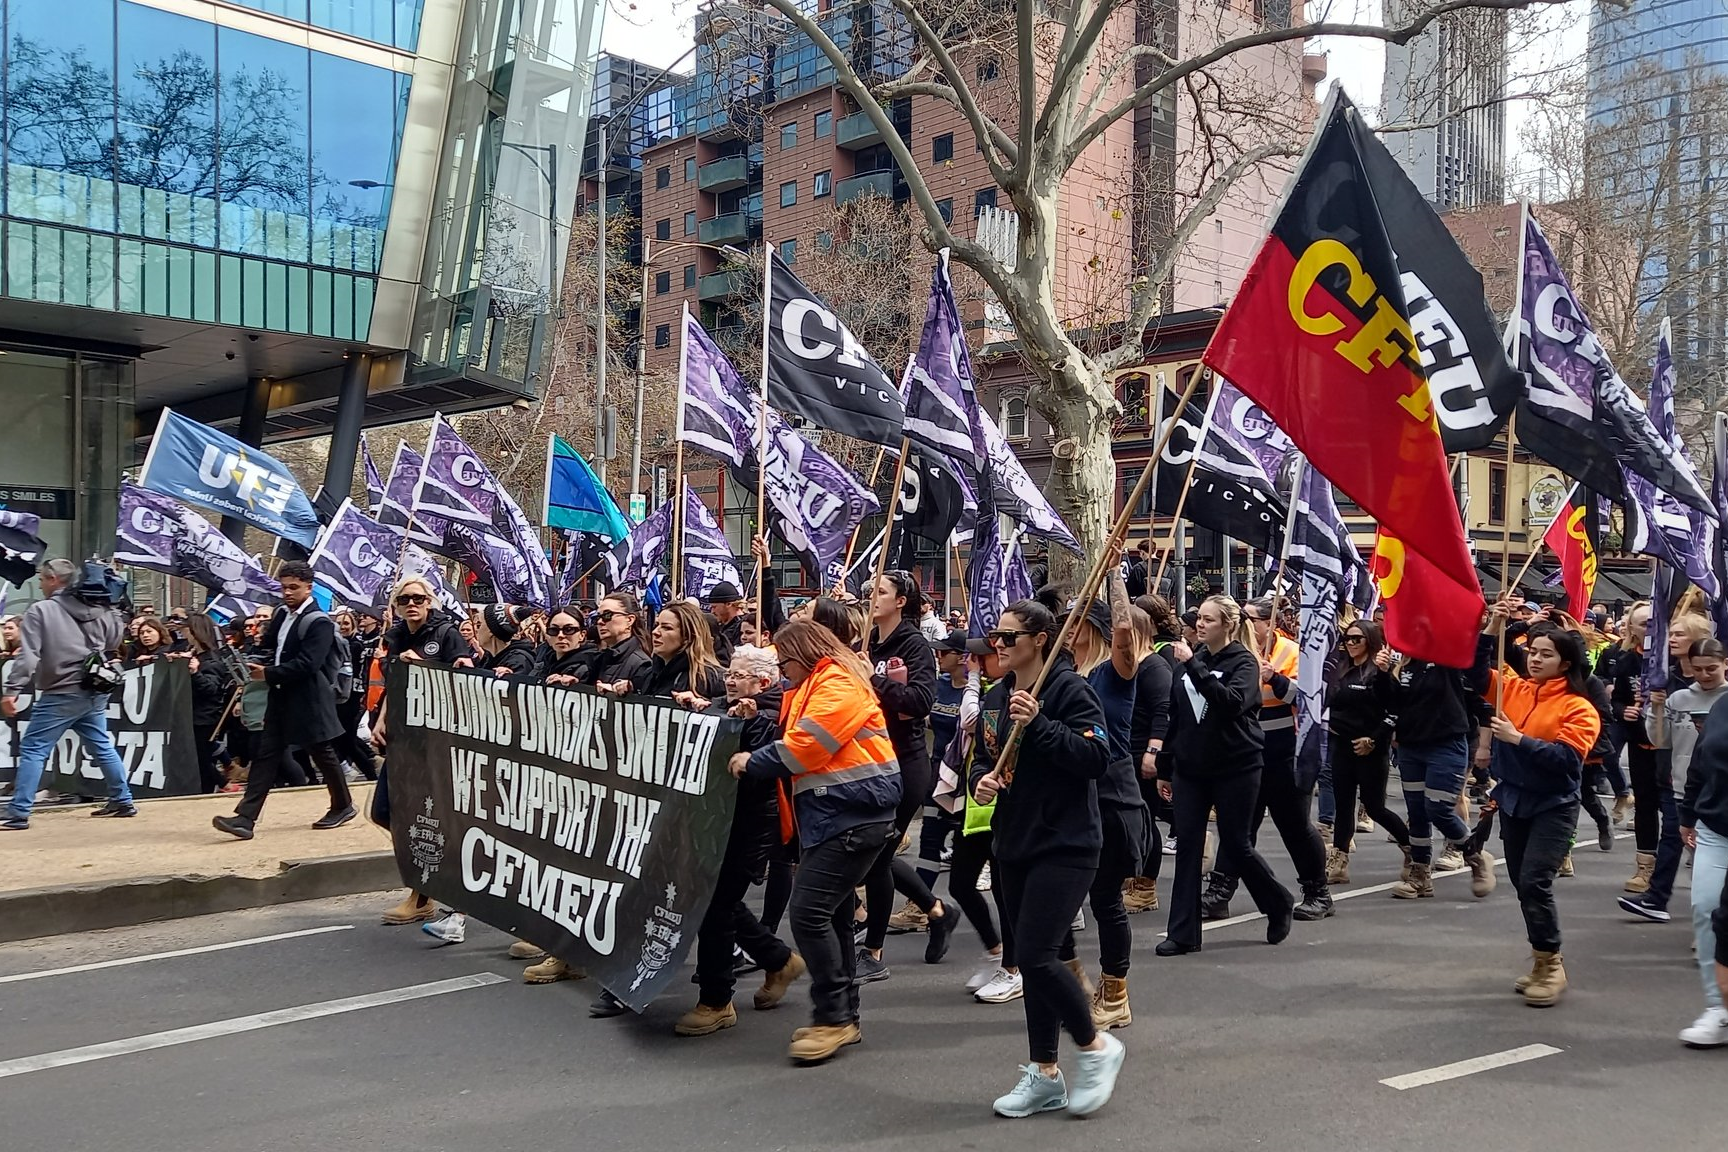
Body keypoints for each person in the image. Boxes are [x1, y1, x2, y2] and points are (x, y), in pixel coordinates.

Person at [971, 598, 1126, 1118]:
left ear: (1040, 639)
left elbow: (1095, 757)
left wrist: (1040, 724)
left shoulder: (1067, 690)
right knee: (1035, 963)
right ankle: (1044, 1072)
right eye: (996, 636)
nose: (999, 645)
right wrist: (983, 784)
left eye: (1009, 636)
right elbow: (984, 760)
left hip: (1067, 843)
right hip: (1013, 840)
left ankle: (1095, 1045)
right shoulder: (995, 697)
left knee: (1036, 956)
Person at [729, 619, 901, 1064]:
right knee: (836, 916)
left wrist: (753, 760)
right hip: (838, 814)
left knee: (808, 914)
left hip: (851, 814)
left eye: (785, 661)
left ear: (803, 652)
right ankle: (843, 1017)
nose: (783, 671)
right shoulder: (819, 683)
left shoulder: (837, 682)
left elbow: (806, 747)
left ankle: (835, 1017)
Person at [578, 600, 726, 1013]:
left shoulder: (708, 677)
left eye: (666, 628)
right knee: (639, 887)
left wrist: (701, 711)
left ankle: (765, 957)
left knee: (688, 896)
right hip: (646, 797)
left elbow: (724, 731)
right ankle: (624, 980)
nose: (656, 633)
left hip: (686, 806)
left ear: (689, 635)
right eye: (655, 626)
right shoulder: (647, 671)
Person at [1472, 604, 1601, 1008]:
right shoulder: (1513, 688)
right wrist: (1493, 628)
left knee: (1535, 881)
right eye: (1532, 651)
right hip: (1512, 799)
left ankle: (1552, 962)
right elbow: (1474, 673)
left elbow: (1566, 761)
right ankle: (1541, 959)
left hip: (1554, 804)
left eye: (1546, 654)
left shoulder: (1579, 707)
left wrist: (1517, 739)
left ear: (1565, 662)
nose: (1536, 658)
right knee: (1520, 883)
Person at [674, 644, 805, 1037]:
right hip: (717, 819)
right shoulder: (727, 705)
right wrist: (696, 706)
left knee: (716, 907)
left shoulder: (770, 715)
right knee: (719, 900)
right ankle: (778, 959)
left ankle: (716, 1001)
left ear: (763, 681)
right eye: (729, 673)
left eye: (738, 676)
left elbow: (767, 756)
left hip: (748, 824)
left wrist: (738, 719)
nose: (729, 681)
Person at [1157, 595, 1295, 955]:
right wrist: (1165, 765)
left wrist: (1195, 669)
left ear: (1228, 626)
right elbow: (1177, 714)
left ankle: (1277, 901)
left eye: (1209, 620)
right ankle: (1183, 933)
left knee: (1236, 844)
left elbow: (1233, 703)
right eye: (1198, 619)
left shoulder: (1244, 663)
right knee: (1188, 845)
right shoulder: (1194, 660)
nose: (1200, 625)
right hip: (1191, 767)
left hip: (1236, 764)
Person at [1056, 573, 1153, 1032]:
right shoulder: (1063, 676)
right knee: (1054, 900)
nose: (1066, 630)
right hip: (1071, 797)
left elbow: (1124, 638)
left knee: (1105, 900)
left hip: (1112, 797)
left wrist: (1115, 578)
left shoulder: (1114, 674)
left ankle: (1115, 993)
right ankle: (1072, 980)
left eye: (1074, 622)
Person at [857, 570, 957, 983]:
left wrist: (874, 679)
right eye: (870, 592)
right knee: (875, 856)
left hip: (906, 763)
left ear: (901, 601)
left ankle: (873, 951)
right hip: (869, 761)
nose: (872, 599)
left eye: (880, 592)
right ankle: (937, 911)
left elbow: (920, 702)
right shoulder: (866, 642)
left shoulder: (913, 644)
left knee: (877, 858)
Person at [1206, 597, 1333, 922]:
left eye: (1251, 619)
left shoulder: (1290, 652)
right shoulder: (1232, 654)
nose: (1246, 624)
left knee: (1294, 826)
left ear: (1267, 623)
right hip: (1244, 751)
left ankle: (1317, 892)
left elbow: (1308, 699)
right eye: (1243, 618)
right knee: (1237, 827)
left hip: (1284, 751)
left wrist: (1274, 677)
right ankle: (1218, 893)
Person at [212, 562, 354, 840]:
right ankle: (245, 818)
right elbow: (271, 649)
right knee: (267, 754)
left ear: (309, 587)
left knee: (322, 753)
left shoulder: (320, 622)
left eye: (294, 588)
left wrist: (267, 673)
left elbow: (309, 664)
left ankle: (343, 804)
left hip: (310, 699)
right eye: (284, 587)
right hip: (280, 695)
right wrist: (250, 659)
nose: (287, 593)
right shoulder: (281, 615)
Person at [370, 576, 474, 926]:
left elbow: (463, 679)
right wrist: (381, 719)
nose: (411, 604)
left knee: (424, 817)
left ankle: (422, 894)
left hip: (435, 741)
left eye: (418, 598)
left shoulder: (446, 634)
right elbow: (393, 682)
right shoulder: (395, 636)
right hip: (402, 736)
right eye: (404, 600)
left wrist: (426, 667)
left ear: (430, 602)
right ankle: (425, 883)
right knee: (383, 811)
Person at [2, 559, 136, 829]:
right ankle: (122, 799)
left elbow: (29, 656)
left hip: (60, 690)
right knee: (101, 744)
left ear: (54, 579)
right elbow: (113, 644)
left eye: (41, 579)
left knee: (34, 749)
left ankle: (18, 813)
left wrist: (11, 690)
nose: (39, 584)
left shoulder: (41, 611)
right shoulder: (102, 607)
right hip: (95, 687)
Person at [1623, 632, 1728, 924]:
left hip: (1720, 792)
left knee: (1709, 860)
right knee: (1672, 839)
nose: (1704, 674)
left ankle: (1710, 918)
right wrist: (1656, 709)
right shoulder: (1679, 698)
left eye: (1712, 668)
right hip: (1681, 786)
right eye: (1698, 668)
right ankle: (1658, 899)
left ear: (1725, 664)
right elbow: (1660, 740)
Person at [1389, 640, 1497, 899]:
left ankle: (1475, 856)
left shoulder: (1451, 666)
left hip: (1447, 746)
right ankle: (1420, 875)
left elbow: (1482, 707)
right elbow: (1390, 705)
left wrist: (1484, 746)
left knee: (1437, 808)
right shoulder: (1400, 669)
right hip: (1410, 748)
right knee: (1416, 813)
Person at [1324, 620, 1407, 889]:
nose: (1350, 643)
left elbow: (1395, 712)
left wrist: (1373, 739)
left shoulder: (1379, 673)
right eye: (1347, 638)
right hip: (1341, 746)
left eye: (1357, 639)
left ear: (1370, 641)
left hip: (1371, 748)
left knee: (1375, 807)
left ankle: (1411, 849)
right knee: (1343, 805)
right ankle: (1339, 860)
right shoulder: (1340, 669)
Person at [1678, 686, 1728, 1046]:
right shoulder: (1723, 706)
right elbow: (1700, 762)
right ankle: (1718, 1008)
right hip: (1715, 828)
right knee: (1706, 907)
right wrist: (1688, 812)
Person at [1122, 595, 1176, 914]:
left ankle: (1145, 885)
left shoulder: (1154, 665)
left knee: (1144, 821)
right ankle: (1129, 876)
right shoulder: (1127, 663)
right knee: (1128, 822)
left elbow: (1164, 709)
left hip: (1142, 752)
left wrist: (1154, 751)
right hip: (1123, 752)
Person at [182, 613, 242, 794]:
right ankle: (212, 787)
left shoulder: (212, 660)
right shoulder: (196, 655)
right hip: (195, 713)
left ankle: (222, 784)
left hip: (205, 717)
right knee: (199, 756)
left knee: (200, 756)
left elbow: (210, 688)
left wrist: (195, 673)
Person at [330, 609, 378, 782]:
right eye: (339, 623)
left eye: (346, 623)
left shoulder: (354, 645)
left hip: (352, 695)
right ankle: (366, 767)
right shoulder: (339, 643)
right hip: (338, 695)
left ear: (353, 626)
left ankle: (367, 772)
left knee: (345, 737)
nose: (342, 627)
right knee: (345, 738)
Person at [472, 603, 538, 676]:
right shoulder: (489, 656)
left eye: (479, 625)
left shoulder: (519, 660)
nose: (475, 630)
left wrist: (510, 677)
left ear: (491, 631)